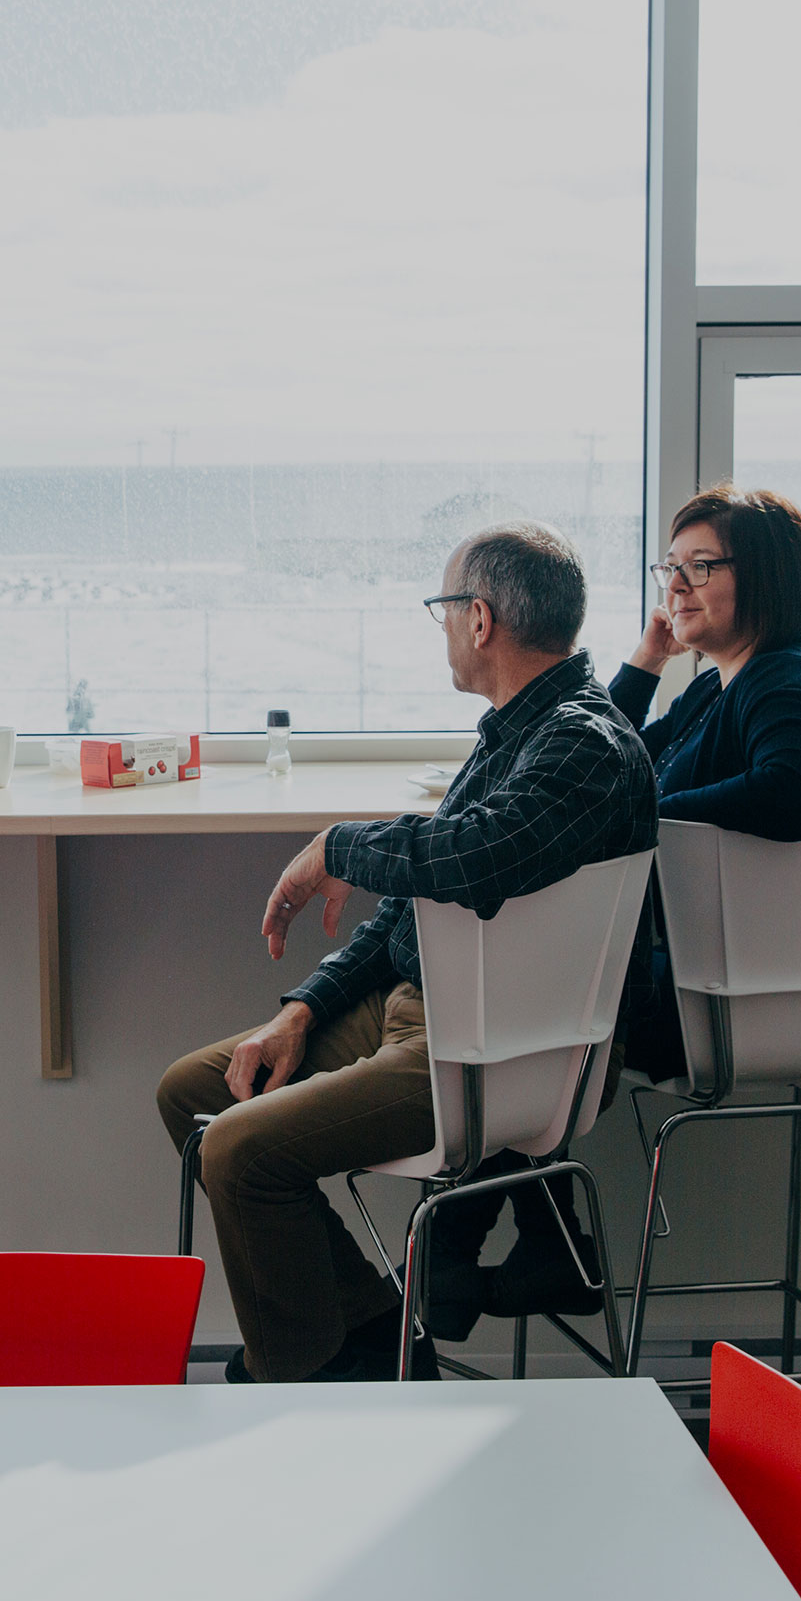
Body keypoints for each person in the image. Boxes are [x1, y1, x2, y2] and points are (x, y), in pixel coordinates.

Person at [154, 522, 657, 1383]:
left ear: (480, 619)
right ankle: (370, 1341)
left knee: (241, 1151)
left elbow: (480, 858)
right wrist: (303, 1010)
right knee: (196, 1091)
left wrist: (338, 847)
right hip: (426, 1017)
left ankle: (304, 1379)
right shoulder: (514, 733)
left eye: (443, 608)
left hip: (499, 1047)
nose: (443, 629)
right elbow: (406, 919)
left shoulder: (585, 743)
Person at [425, 483, 801, 1341]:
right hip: (732, 977)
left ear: (760, 579)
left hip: (771, 998)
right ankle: (512, 1257)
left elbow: (796, 794)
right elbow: (614, 758)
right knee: (531, 1012)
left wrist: (650, 816)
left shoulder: (788, 681)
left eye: (702, 567)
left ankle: (461, 1268)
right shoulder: (729, 683)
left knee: (528, 1014)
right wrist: (647, 664)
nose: (676, 585)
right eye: (670, 568)